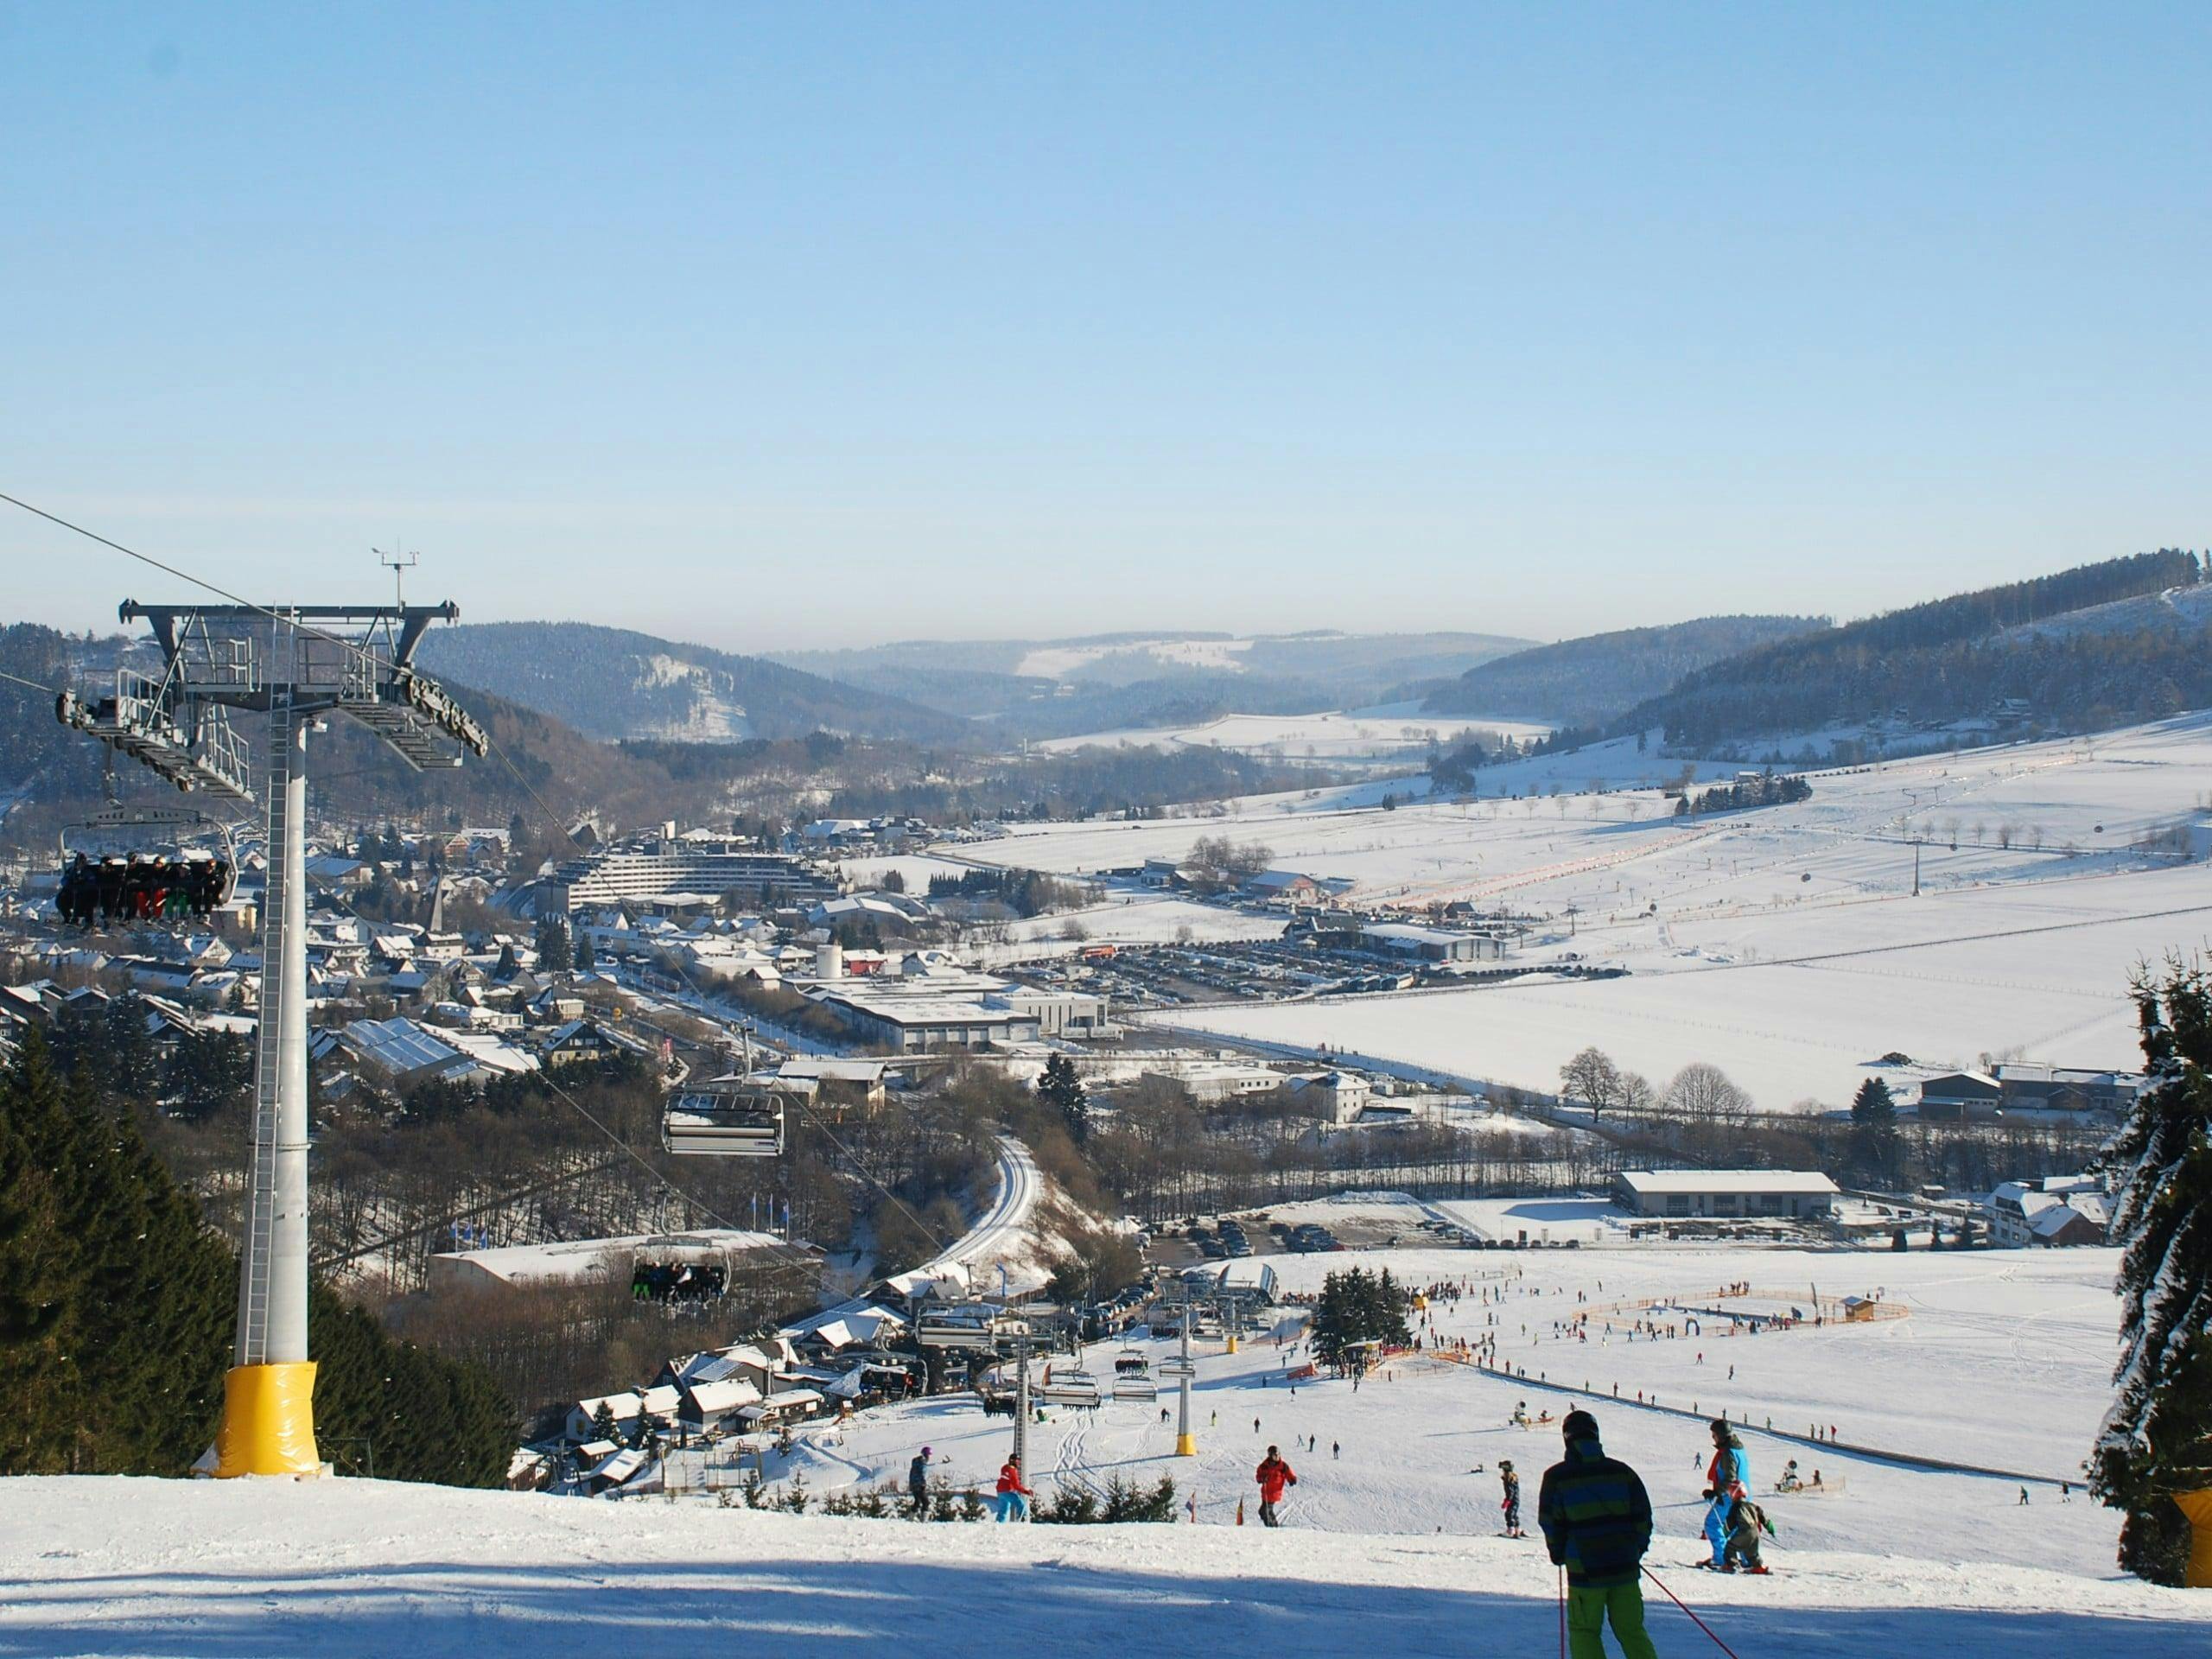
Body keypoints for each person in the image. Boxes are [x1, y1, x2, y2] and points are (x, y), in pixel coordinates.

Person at [1538, 1410, 1657, 1659]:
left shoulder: (1557, 1477)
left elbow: (1550, 1521)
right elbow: (1643, 1517)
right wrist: (1636, 1550)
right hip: (1625, 1567)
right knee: (1631, 1630)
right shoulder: (1622, 1472)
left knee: (1585, 1631)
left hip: (1585, 1572)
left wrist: (1558, 1552)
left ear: (1567, 1439)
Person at [1702, 1418, 1750, 1568]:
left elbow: (1730, 1478)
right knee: (1737, 1527)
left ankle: (1722, 1559)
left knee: (1712, 1523)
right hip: (1742, 1494)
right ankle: (1748, 1559)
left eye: (1714, 1435)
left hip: (1730, 1496)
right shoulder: (1738, 1449)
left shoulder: (1728, 1453)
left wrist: (1716, 1492)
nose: (1713, 1438)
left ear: (1721, 1436)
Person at [1720, 1494, 1770, 1574]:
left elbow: (1731, 1522)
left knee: (1730, 1547)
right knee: (1751, 1551)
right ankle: (1758, 1567)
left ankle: (1731, 1565)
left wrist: (1726, 1531)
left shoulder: (1736, 1506)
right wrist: (1768, 1525)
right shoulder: (1752, 1504)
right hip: (1755, 1531)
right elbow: (1761, 1514)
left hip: (1745, 1531)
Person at [1255, 1445, 1297, 1527]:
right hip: (1266, 1493)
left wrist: (1292, 1479)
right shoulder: (1264, 1466)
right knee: (1264, 1511)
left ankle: (1272, 1527)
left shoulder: (1283, 1466)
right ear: (1271, 1456)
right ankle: (1274, 1525)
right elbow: (1258, 1476)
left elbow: (1289, 1473)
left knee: (1265, 1511)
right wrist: (1261, 1479)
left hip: (1275, 1493)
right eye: (1275, 1455)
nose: (1277, 1457)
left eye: (1278, 1455)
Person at [995, 1456, 1033, 1522]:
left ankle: (999, 1522)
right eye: (1017, 1461)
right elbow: (1016, 1486)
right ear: (1013, 1461)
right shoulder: (1013, 1471)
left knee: (1003, 1509)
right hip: (1007, 1491)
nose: (1019, 1463)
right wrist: (1026, 1492)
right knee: (1019, 1503)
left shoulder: (1004, 1467)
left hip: (1000, 1491)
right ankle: (1023, 1519)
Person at [1499, 1459, 1523, 1538]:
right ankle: (1517, 1530)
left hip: (1512, 1500)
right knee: (1514, 1514)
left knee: (1509, 1514)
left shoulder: (1508, 1479)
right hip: (1516, 1500)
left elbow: (1510, 1491)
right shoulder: (1513, 1477)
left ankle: (1511, 1530)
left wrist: (1507, 1500)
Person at [907, 1446, 931, 1515]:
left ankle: (910, 1518)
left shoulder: (916, 1462)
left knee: (917, 1502)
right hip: (919, 1485)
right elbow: (922, 1473)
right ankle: (924, 1519)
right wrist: (923, 1483)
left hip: (913, 1484)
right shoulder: (923, 1463)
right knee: (926, 1502)